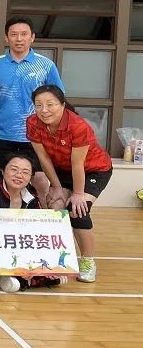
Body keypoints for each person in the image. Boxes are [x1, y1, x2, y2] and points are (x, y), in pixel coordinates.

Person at [27, 85, 112, 284]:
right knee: (56, 207)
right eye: (38, 105)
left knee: (77, 210)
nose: (44, 110)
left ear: (62, 105)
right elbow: (43, 158)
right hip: (62, 169)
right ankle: (59, 259)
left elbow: (78, 164)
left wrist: (78, 194)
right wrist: (56, 187)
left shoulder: (78, 126)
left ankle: (88, 262)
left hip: (94, 170)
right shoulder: (32, 122)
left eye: (50, 104)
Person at [0, 16, 64, 197]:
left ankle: (42, 212)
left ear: (32, 37)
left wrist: (55, 129)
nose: (19, 39)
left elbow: (58, 98)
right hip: (2, 133)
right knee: (4, 181)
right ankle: (6, 213)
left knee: (40, 180)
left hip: (37, 133)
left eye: (24, 34)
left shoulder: (46, 65)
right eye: (14, 34)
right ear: (6, 37)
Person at [0, 153, 67, 292]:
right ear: (3, 170)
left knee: (48, 266)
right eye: (14, 170)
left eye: (25, 172)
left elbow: (40, 229)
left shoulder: (32, 196)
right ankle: (5, 276)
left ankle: (20, 276)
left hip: (19, 247)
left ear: (30, 177)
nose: (19, 175)